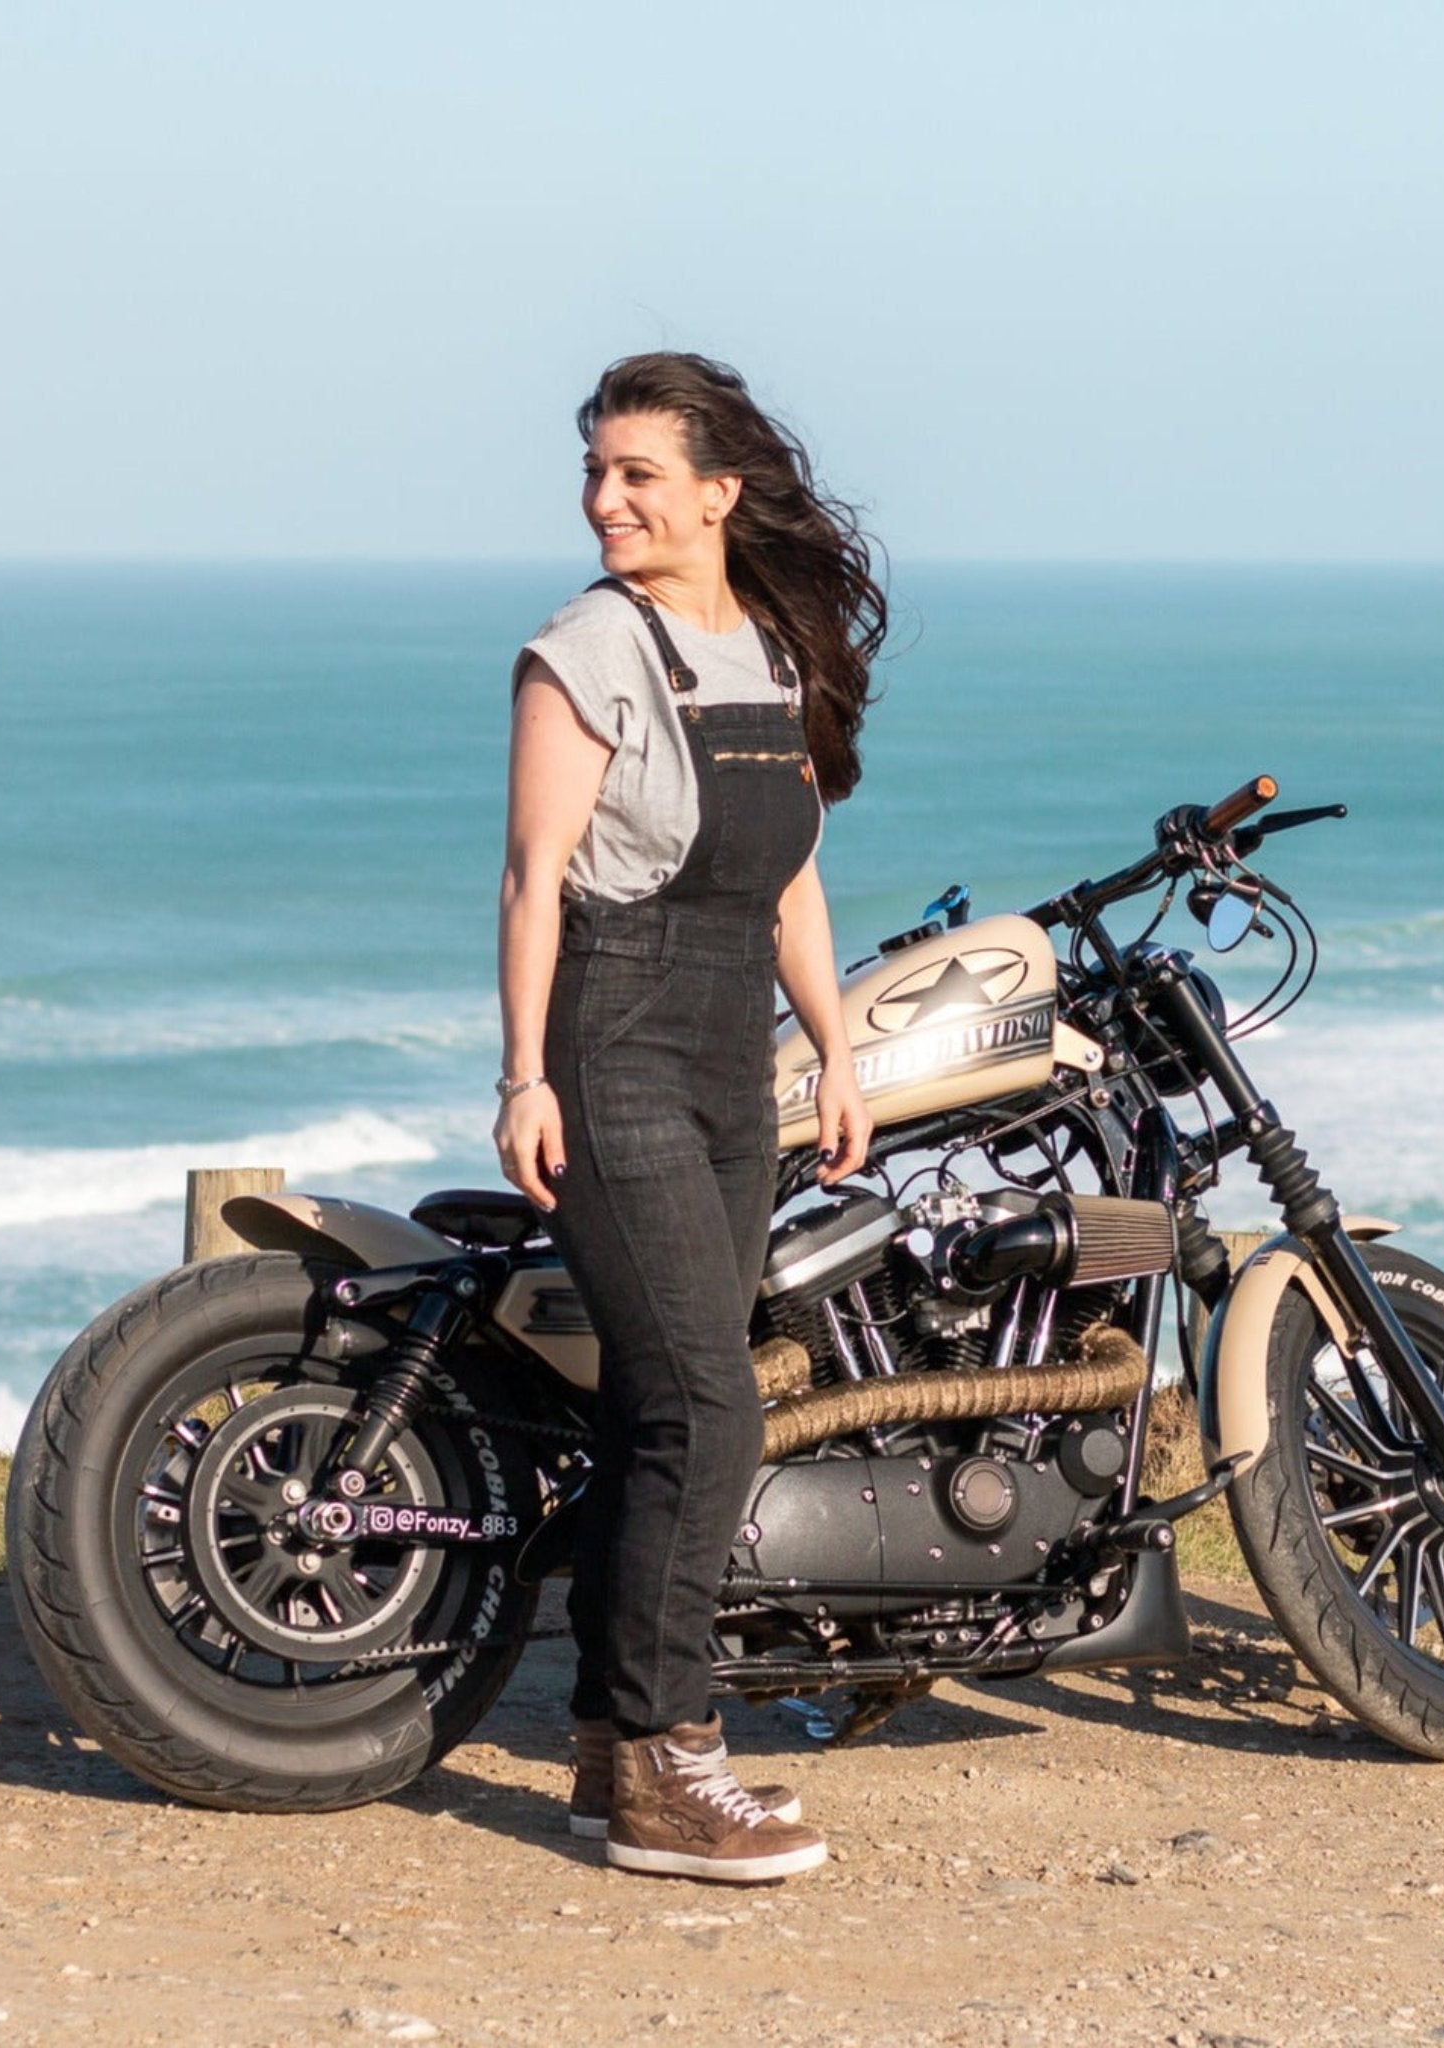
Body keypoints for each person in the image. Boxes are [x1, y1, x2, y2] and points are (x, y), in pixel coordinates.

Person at [493, 352, 881, 1882]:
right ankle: (675, 1765)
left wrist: (832, 1050)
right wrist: (525, 1076)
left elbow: (787, 873)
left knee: (663, 1413)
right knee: (708, 1405)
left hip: (733, 1058)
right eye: (595, 473)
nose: (606, 501)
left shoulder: (769, 651)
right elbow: (534, 878)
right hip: (615, 1042)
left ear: (719, 493)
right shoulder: (582, 653)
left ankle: (605, 1753)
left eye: (637, 475)